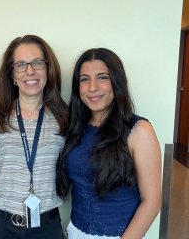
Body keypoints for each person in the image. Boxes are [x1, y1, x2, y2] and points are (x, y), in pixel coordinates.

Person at [56, 48, 162, 239]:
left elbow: (152, 201)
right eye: (84, 79)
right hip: (75, 231)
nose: (92, 87)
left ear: (116, 82)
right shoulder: (76, 128)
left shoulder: (139, 130)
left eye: (102, 77)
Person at [0, 34, 69, 239]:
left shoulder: (64, 119)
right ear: (12, 74)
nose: (30, 71)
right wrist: (9, 177)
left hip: (48, 226)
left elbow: (68, 169)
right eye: (20, 65)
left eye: (37, 62)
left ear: (48, 68)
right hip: (3, 227)